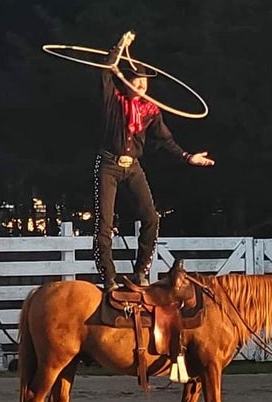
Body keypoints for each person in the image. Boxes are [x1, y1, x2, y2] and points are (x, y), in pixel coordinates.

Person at [93, 31, 214, 293]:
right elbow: (105, 71)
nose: (142, 87)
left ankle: (141, 272)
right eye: (138, 82)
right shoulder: (114, 101)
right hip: (109, 165)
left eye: (145, 84)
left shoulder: (150, 110)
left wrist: (187, 156)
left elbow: (165, 140)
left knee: (151, 217)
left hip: (133, 166)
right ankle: (109, 276)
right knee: (104, 223)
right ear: (127, 82)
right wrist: (120, 46)